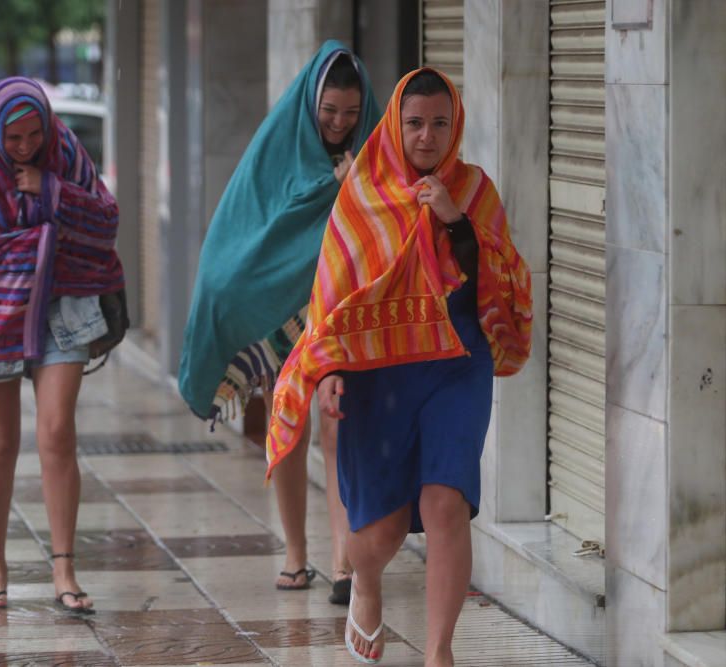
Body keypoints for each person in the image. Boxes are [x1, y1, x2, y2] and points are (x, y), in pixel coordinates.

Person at [266, 69, 533, 665]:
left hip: (457, 364)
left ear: (455, 124)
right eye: (415, 123)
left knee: (446, 502)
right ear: (395, 125)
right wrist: (329, 371)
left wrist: (454, 222)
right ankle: (364, 582)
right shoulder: (361, 192)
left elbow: (506, 279)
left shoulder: (474, 190)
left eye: (440, 123)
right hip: (378, 368)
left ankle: (440, 652)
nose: (427, 136)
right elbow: (333, 293)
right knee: (379, 535)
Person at [178, 41, 381, 603]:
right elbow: (240, 240)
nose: (340, 124)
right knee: (288, 430)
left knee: (338, 426)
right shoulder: (275, 150)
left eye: (350, 112)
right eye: (329, 112)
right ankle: (296, 553)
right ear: (309, 106)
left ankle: (344, 562)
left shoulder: (371, 156)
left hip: (344, 308)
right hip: (282, 318)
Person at [0, 77, 124, 614]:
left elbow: (106, 220)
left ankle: (65, 567)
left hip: (62, 305)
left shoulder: (65, 153)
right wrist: (22, 253)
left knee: (58, 431)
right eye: (13, 138)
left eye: (35, 133)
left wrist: (51, 191)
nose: (25, 146)